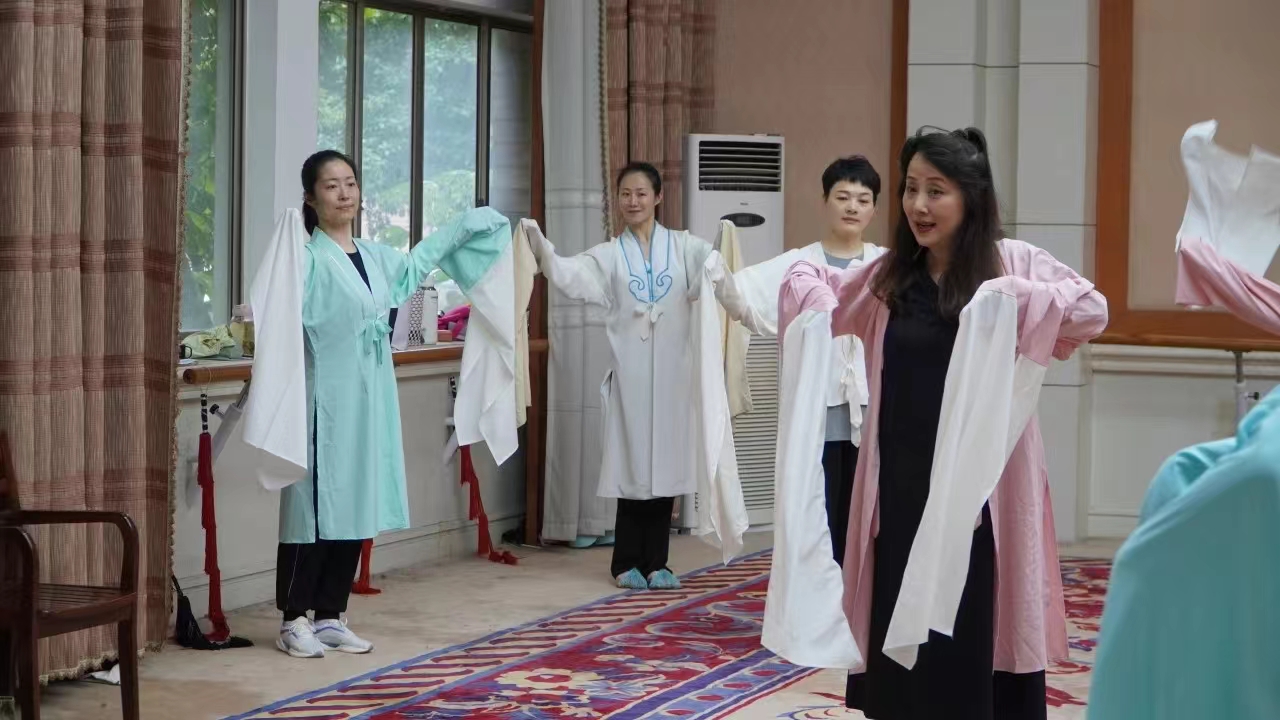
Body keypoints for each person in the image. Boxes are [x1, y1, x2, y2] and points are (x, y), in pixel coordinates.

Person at [784, 127, 1108, 719]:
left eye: (936, 191)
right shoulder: (889, 277)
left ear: (971, 197)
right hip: (902, 486)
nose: (918, 205)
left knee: (972, 621)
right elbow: (822, 300)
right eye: (910, 189)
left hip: (981, 490)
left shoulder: (1011, 262)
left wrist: (1014, 295)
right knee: (901, 630)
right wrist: (799, 285)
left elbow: (1092, 311)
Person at [274, 150, 509, 658]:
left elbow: (418, 264)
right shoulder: (304, 259)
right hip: (323, 400)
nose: (344, 193)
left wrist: (461, 227)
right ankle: (293, 618)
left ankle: (331, 614)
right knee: (313, 506)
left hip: (369, 396)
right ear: (311, 198)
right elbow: (282, 325)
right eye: (331, 185)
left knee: (355, 500)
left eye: (350, 182)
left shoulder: (375, 256)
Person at [525, 161, 765, 590]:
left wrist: (723, 244)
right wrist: (541, 246)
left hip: (674, 379)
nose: (632, 201)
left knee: (667, 469)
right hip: (630, 379)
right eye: (625, 194)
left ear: (657, 197)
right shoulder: (609, 255)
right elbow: (568, 274)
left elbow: (715, 271)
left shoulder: (684, 247)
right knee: (631, 467)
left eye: (640, 193)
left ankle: (658, 563)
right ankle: (625, 563)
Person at [727, 155, 887, 563]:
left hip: (874, 411)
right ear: (825, 201)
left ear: (874, 208)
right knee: (820, 513)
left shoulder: (886, 265)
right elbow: (743, 294)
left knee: (868, 515)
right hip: (817, 411)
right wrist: (711, 271)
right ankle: (818, 590)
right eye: (843, 197)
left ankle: (860, 592)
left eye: (863, 200)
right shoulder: (800, 264)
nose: (852, 207)